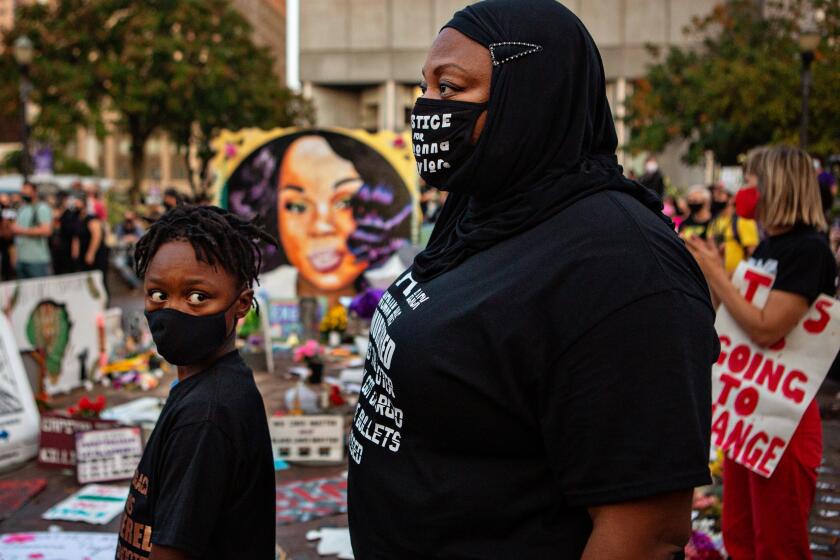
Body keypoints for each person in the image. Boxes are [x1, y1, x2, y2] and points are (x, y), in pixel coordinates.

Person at [347, 2, 718, 559]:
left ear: (534, 98)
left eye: (450, 89)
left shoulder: (620, 265)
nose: (426, 109)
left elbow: (645, 532)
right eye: (424, 88)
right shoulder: (481, 208)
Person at [687, 145, 835, 559]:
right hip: (751, 418)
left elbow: (767, 328)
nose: (742, 194)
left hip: (783, 422)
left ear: (776, 187)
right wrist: (716, 280)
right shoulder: (772, 248)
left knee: (778, 543)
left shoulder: (809, 251)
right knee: (741, 536)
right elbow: (736, 324)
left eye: (750, 184)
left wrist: (720, 275)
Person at [117, 205, 277, 560]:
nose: (173, 311)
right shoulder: (210, 387)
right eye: (158, 295)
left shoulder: (205, 417)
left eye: (197, 298)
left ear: (241, 304)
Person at [226, 130, 413, 304]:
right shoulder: (254, 298)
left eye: (345, 202)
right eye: (297, 206)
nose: (321, 226)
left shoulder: (400, 293)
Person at [707, 186, 760, 275]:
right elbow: (710, 247)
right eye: (714, 195)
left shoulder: (743, 221)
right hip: (718, 278)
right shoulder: (713, 222)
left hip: (738, 280)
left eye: (720, 194)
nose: (715, 198)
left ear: (731, 198)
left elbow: (754, 254)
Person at [11, 182, 52, 279]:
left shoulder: (41, 208)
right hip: (21, 259)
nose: (23, 193)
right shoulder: (22, 209)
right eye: (22, 191)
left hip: (37, 260)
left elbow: (46, 230)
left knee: (39, 292)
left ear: (35, 192)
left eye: (26, 191)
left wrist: (21, 231)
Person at [71, 194, 108, 281]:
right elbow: (76, 237)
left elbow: (97, 236)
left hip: (95, 255)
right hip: (82, 254)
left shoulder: (92, 218)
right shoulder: (77, 219)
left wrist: (91, 253)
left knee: (98, 280)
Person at [113, 210, 145, 289]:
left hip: (136, 253)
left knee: (139, 264)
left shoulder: (137, 227)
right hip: (123, 253)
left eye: (130, 219)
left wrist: (134, 238)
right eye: (126, 219)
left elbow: (143, 239)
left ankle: (143, 283)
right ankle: (137, 284)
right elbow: (116, 241)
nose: (128, 221)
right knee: (119, 264)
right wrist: (125, 239)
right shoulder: (120, 227)